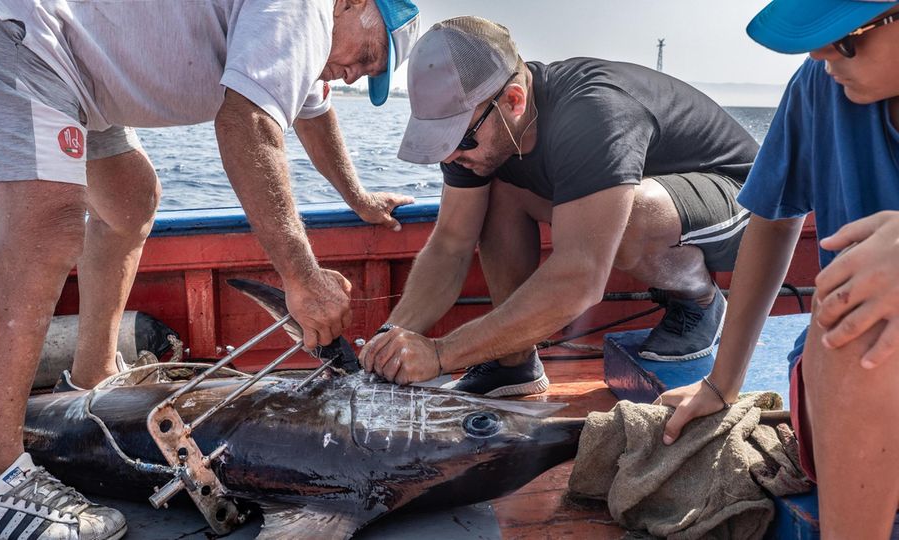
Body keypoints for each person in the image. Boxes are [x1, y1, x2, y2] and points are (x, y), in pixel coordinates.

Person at [0, 0, 419, 538]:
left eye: (370, 75)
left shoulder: (304, 42)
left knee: (130, 199)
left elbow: (313, 112)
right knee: (44, 229)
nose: (355, 74)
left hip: (74, 71)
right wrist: (302, 277)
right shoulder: (304, 8)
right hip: (17, 29)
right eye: (368, 55)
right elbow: (248, 122)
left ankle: (92, 379)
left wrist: (357, 197)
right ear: (351, 3)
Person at [359, 16, 759, 397]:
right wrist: (390, 340)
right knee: (496, 185)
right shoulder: (482, 135)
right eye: (440, 144)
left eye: (459, 141)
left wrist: (442, 354)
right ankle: (513, 359)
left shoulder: (594, 112)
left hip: (741, 204)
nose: (451, 157)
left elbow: (580, 278)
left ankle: (700, 300)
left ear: (514, 101)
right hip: (646, 204)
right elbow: (450, 245)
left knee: (630, 216)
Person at [657, 1, 899, 537]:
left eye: (846, 37)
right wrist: (722, 383)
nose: (819, 52)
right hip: (853, 382)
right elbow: (772, 221)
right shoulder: (819, 84)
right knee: (858, 311)